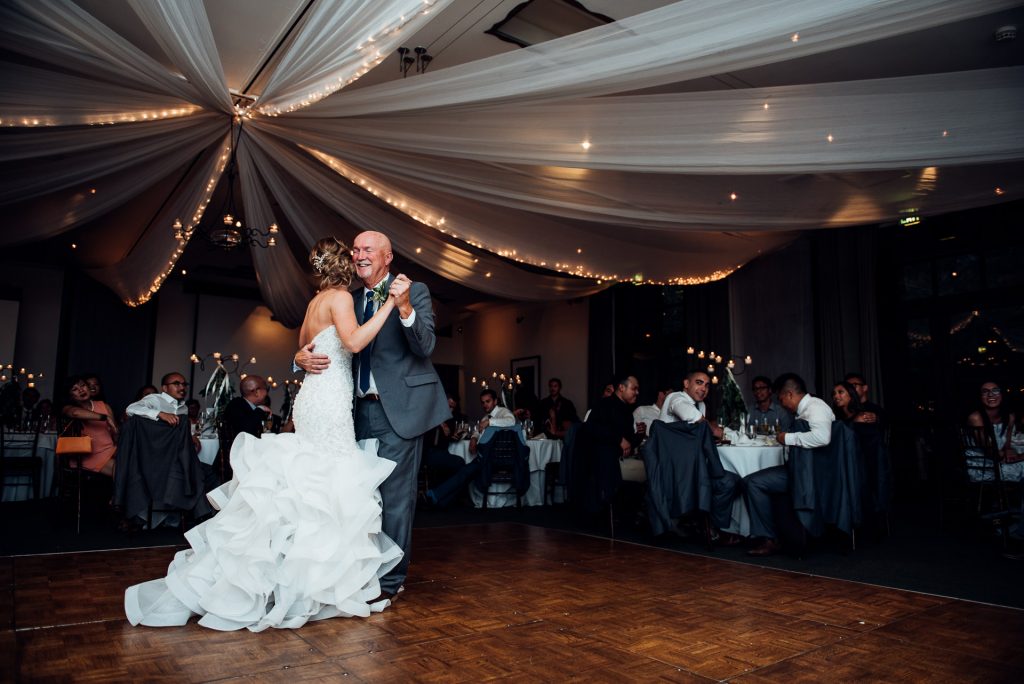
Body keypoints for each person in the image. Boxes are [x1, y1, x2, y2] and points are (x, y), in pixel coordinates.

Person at [125, 236, 409, 631]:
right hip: (329, 402)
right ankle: (313, 582)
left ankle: (292, 577)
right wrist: (392, 304)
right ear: (345, 265)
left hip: (312, 399)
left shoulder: (314, 302)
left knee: (308, 486)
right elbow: (355, 342)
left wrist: (298, 357)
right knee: (328, 486)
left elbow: (303, 349)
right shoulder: (341, 298)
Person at [294, 231, 449, 603]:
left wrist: (404, 307)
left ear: (387, 256)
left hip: (400, 411)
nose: (359, 254)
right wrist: (298, 358)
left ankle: (389, 583)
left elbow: (426, 345)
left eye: (368, 249)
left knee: (395, 498)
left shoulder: (414, 291)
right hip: (351, 412)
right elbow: (323, 341)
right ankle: (358, 574)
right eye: (355, 249)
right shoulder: (345, 297)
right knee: (357, 497)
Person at [743, 373, 835, 556]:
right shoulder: (804, 409)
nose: (782, 404)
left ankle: (770, 539)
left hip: (810, 474)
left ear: (790, 394)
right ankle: (773, 536)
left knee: (753, 483)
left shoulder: (816, 407)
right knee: (752, 481)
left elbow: (822, 437)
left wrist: (788, 438)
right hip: (799, 469)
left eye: (781, 399)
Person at [424, 389, 517, 508]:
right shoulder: (485, 417)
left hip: (499, 458)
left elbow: (511, 420)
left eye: (488, 401)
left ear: (495, 401)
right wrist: (473, 438)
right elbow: (477, 430)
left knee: (465, 471)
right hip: (486, 458)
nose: (485, 405)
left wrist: (489, 422)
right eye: (482, 402)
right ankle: (440, 500)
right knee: (465, 472)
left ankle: (435, 495)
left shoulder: (503, 412)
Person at [59, 375, 118, 477]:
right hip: (89, 455)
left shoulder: (104, 406)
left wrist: (116, 432)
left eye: (83, 385)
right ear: (70, 395)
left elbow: (115, 433)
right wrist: (104, 417)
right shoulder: (67, 408)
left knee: (135, 461)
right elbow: (75, 413)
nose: (81, 390)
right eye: (75, 389)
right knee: (121, 469)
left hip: (110, 450)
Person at [966, 380, 1022, 482]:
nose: (991, 394)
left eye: (995, 390)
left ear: (1002, 394)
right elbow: (990, 452)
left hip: (1001, 458)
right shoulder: (975, 418)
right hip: (983, 464)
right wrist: (1019, 457)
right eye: (985, 391)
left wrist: (1010, 452)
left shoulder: (1009, 416)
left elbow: (1007, 446)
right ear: (980, 396)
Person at [660, 371, 723, 440]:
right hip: (669, 444)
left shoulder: (701, 404)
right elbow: (692, 415)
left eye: (707, 386)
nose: (704, 389)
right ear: (686, 383)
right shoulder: (675, 397)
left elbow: (700, 430)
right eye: (699, 383)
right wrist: (715, 430)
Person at [222, 375, 272, 440]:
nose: (267, 393)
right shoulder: (236, 405)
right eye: (266, 389)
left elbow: (264, 433)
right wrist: (260, 409)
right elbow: (245, 432)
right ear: (257, 392)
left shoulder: (253, 409)